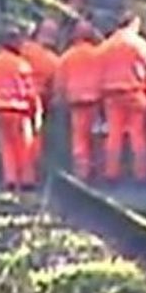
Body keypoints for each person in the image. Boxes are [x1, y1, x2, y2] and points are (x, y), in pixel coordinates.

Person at [99, 11, 146, 182]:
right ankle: (141, 174)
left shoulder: (106, 45)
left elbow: (99, 69)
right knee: (137, 134)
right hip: (134, 93)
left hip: (111, 95)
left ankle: (111, 173)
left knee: (114, 134)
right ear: (134, 23)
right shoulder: (138, 44)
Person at [0, 27, 39, 191]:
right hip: (19, 110)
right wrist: (35, 111)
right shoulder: (21, 64)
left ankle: (10, 179)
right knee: (24, 145)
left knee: (6, 146)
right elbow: (30, 92)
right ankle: (27, 180)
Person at [54, 18, 103, 180]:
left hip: (76, 103)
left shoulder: (67, 57)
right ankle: (98, 170)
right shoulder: (99, 54)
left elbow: (60, 83)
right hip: (96, 101)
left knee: (79, 138)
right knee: (96, 137)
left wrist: (59, 99)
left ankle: (82, 172)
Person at [19, 18, 60, 167]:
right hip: (37, 101)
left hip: (13, 96)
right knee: (35, 135)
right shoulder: (54, 61)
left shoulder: (23, 49)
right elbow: (55, 90)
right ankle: (32, 167)